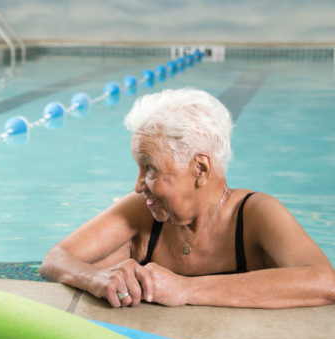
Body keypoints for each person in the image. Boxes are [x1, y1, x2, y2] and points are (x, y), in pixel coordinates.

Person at [40, 88, 335, 309]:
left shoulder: (254, 214)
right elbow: (56, 259)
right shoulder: (142, 210)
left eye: (150, 168)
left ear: (200, 169)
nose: (139, 184)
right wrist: (97, 278)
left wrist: (185, 289)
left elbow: (324, 281)